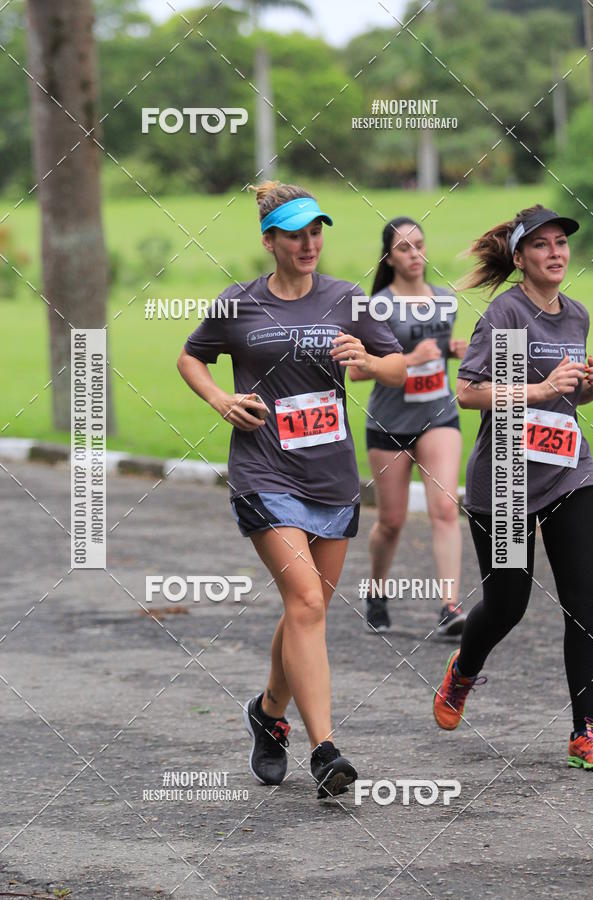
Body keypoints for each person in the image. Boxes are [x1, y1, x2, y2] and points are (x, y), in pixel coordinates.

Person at [177, 181, 406, 798]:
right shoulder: (240, 303)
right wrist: (220, 397)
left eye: (316, 231)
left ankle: (268, 712)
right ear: (269, 240)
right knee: (305, 601)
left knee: (308, 609)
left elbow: (399, 366)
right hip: (264, 472)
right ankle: (325, 750)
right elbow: (190, 357)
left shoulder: (349, 299)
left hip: (331, 476)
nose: (309, 244)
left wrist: (367, 361)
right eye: (296, 234)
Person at [433, 204, 593, 770]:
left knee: (588, 602)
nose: (556, 253)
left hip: (568, 472)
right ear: (521, 258)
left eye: (562, 243)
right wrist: (542, 387)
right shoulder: (506, 314)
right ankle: (463, 669)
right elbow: (473, 392)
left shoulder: (575, 316)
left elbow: (564, 398)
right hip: (506, 475)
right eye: (542, 245)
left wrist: (586, 390)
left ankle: (588, 731)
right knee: (508, 603)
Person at [350, 217, 468, 637]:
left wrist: (455, 352)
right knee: (392, 521)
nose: (414, 254)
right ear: (389, 257)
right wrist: (411, 361)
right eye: (404, 248)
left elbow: (439, 352)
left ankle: (450, 606)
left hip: (439, 416)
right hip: (389, 425)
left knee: (444, 509)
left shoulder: (445, 299)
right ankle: (377, 592)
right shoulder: (376, 306)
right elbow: (358, 373)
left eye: (419, 245)